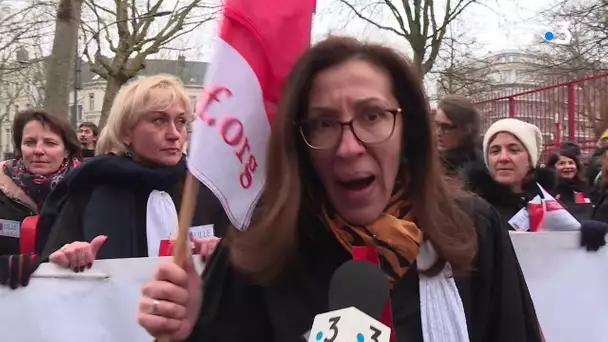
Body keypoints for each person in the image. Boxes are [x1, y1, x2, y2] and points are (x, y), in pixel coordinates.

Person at [137, 37, 542, 342]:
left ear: (407, 131)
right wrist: (186, 331)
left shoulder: (471, 229)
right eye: (324, 123)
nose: (350, 147)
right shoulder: (257, 247)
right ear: (300, 141)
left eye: (372, 116)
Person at [1, 74, 225, 287]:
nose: (175, 133)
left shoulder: (206, 189)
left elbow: (243, 271)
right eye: (159, 120)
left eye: (181, 121)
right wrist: (68, 256)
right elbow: (49, 273)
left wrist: (221, 254)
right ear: (126, 132)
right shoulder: (89, 189)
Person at [0, 109, 81, 256]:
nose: (38, 150)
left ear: (67, 150)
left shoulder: (87, 190)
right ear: (20, 148)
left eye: (50, 143)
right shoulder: (2, 188)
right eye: (30, 142)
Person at [463, 118, 557, 224]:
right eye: (495, 151)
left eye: (514, 150)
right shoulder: (468, 208)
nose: (503, 158)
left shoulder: (552, 204)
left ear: (531, 159)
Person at [433, 95, 482, 178]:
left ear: (466, 128)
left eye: (446, 127)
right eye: (436, 124)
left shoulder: (479, 170)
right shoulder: (429, 159)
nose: (438, 133)